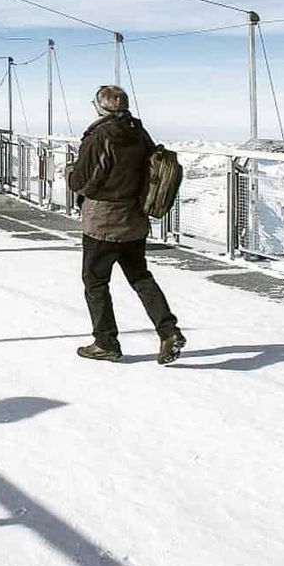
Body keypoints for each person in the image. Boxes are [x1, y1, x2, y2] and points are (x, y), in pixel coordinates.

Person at [67, 84, 185, 364]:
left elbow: (84, 183)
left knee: (95, 282)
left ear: (99, 107)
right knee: (140, 276)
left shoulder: (99, 137)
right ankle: (169, 331)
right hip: (135, 219)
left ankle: (105, 342)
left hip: (104, 222)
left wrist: (71, 172)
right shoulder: (138, 132)